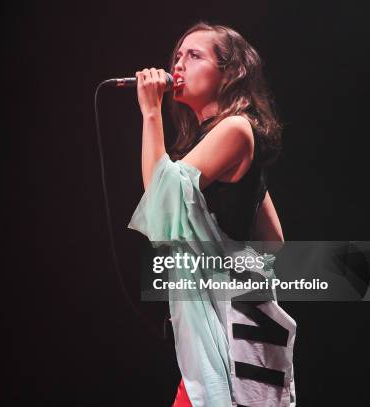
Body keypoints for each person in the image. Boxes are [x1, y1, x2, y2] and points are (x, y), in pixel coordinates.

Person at [131, 22, 295, 406]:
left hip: (221, 334)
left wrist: (151, 112)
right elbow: (273, 242)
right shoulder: (223, 139)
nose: (178, 65)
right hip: (218, 329)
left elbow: (161, 204)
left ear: (231, 72)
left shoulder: (236, 128)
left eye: (195, 55)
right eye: (177, 56)